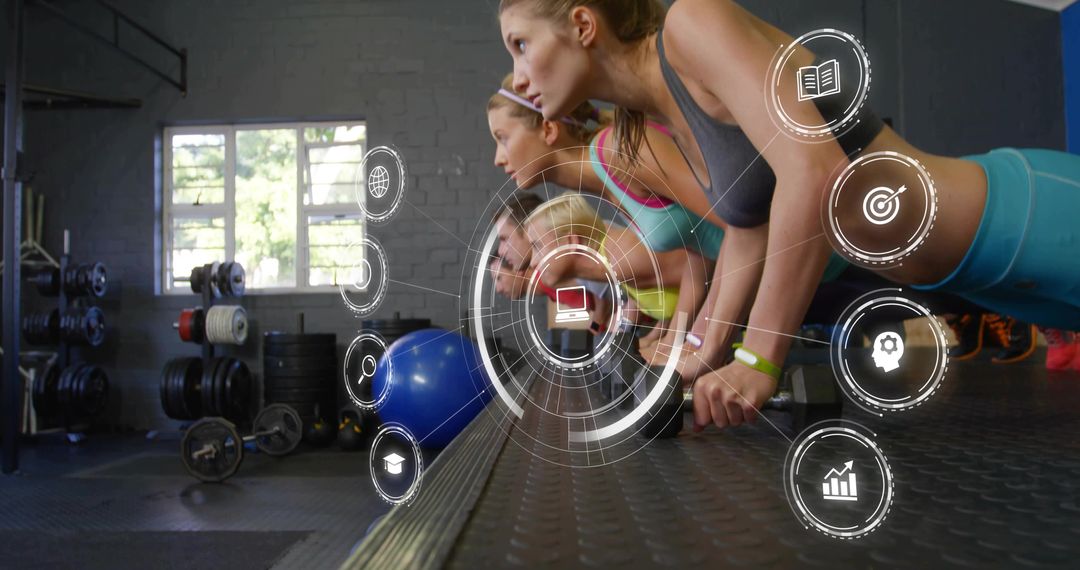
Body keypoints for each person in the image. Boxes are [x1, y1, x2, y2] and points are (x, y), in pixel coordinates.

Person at [496, 0, 1080, 430]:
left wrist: (759, 356)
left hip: (1021, 220)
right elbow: (750, 231)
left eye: (520, 45)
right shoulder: (661, 118)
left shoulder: (692, 25)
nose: (519, 78)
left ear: (581, 24)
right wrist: (697, 354)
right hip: (983, 282)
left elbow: (816, 171)